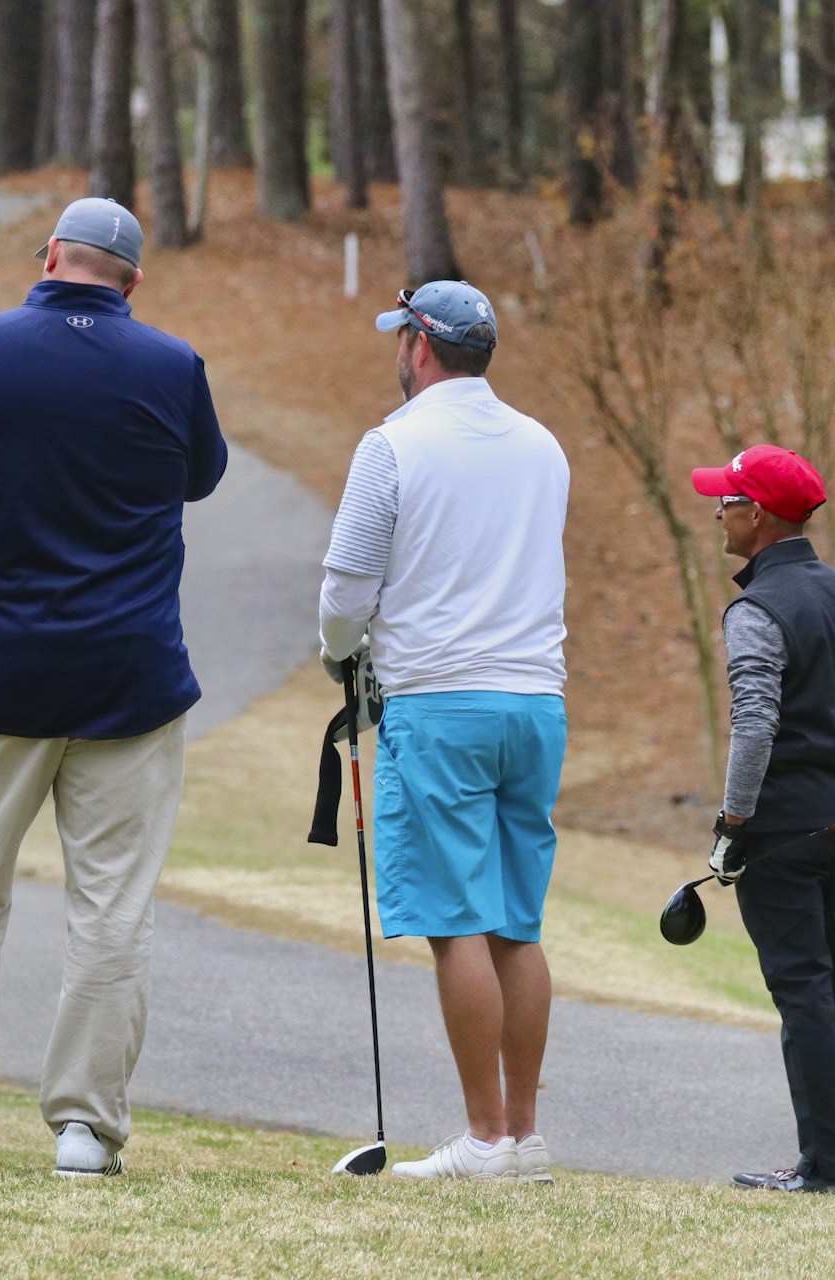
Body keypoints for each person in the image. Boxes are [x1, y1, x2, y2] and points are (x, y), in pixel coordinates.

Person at [0, 197, 227, 1177]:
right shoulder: (173, 366)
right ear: (132, 281)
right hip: (133, 681)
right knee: (110, 910)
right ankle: (84, 1131)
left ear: (52, 256)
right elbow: (203, 476)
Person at [318, 281, 569, 1182]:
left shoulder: (391, 446)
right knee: (516, 921)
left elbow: (348, 587)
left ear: (420, 347)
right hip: (536, 704)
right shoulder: (543, 446)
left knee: (456, 921)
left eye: (401, 339)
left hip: (439, 702)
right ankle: (527, 1136)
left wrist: (337, 653)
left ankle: (485, 1137)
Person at [690, 445, 835, 1200]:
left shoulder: (756, 608)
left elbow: (755, 724)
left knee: (805, 992)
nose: (717, 512)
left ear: (756, 515)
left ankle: (828, 1168)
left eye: (725, 501)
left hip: (783, 833)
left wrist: (733, 820)